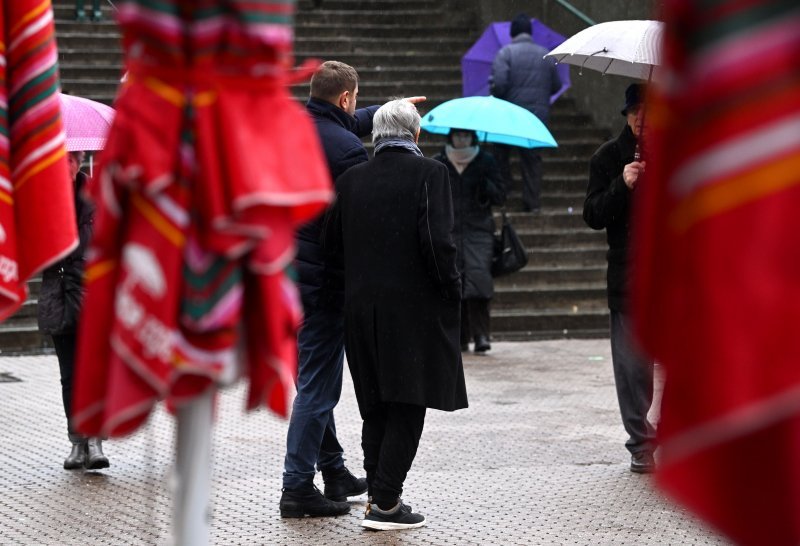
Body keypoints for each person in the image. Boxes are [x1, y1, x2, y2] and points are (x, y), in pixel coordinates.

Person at [324, 99, 468, 530]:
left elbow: (332, 246)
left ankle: (379, 497)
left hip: (360, 312)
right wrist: (452, 290)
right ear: (416, 135)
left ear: (376, 135)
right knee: (408, 404)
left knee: (376, 406)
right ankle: (386, 503)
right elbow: (438, 242)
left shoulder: (351, 180)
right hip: (411, 311)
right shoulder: (431, 174)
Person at [279, 61, 377, 518]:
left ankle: (333, 471)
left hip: (285, 276)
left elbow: (343, 121)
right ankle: (296, 488)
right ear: (344, 98)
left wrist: (385, 110)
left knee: (310, 380)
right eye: (355, 100)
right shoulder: (348, 151)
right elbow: (359, 223)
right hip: (324, 282)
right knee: (318, 388)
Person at [583, 83, 658, 474]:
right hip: (628, 276)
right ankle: (641, 442)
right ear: (626, 116)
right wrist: (622, 185)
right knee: (632, 366)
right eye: (635, 113)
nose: (641, 119)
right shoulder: (608, 157)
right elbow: (593, 214)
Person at [37, 151, 109, 471]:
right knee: (69, 376)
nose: (63, 166)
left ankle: (95, 441)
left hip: (91, 293)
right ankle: (77, 442)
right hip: (59, 295)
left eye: (69, 160)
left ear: (78, 162)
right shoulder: (43, 198)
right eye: (58, 160)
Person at [433, 129, 505, 353]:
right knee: (454, 281)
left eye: (466, 135)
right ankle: (460, 336)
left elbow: (501, 196)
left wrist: (487, 186)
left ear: (472, 137)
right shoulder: (440, 161)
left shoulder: (486, 161)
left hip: (479, 230)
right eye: (458, 135)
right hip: (450, 230)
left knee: (479, 279)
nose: (461, 139)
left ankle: (481, 334)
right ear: (451, 136)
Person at [490, 13, 562, 213]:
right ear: (530, 33)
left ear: (512, 33)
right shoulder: (546, 55)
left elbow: (500, 86)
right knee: (532, 159)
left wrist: (493, 86)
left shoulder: (505, 53)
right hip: (536, 117)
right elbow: (556, 85)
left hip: (510, 116)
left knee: (500, 151)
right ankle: (532, 203)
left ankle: (505, 191)